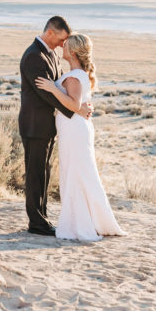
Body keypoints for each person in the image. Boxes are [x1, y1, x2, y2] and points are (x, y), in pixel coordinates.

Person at [36, 33, 126, 241]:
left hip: (75, 130)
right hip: (73, 129)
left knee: (77, 174)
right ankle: (93, 220)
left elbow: (74, 104)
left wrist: (51, 88)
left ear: (73, 52)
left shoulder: (75, 76)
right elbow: (78, 105)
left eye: (66, 45)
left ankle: (80, 225)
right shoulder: (78, 73)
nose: (62, 47)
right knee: (79, 173)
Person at [18, 16, 93, 236]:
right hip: (35, 125)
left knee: (43, 173)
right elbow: (45, 94)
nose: (63, 45)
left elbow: (61, 89)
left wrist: (75, 104)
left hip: (47, 126)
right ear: (50, 32)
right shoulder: (33, 56)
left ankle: (42, 218)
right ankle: (37, 224)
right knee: (35, 175)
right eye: (61, 40)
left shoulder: (49, 54)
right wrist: (76, 109)